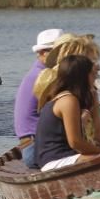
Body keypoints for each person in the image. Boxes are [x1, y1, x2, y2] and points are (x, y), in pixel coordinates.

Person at [33, 55, 100, 171]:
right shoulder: (68, 100)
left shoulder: (70, 98)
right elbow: (75, 142)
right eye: (92, 74)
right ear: (82, 76)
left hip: (64, 157)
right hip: (55, 160)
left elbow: (97, 132)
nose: (96, 77)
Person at [13, 28, 63, 161]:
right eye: (57, 52)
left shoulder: (41, 73)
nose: (62, 56)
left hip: (35, 145)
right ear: (42, 53)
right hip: (36, 148)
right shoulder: (44, 77)